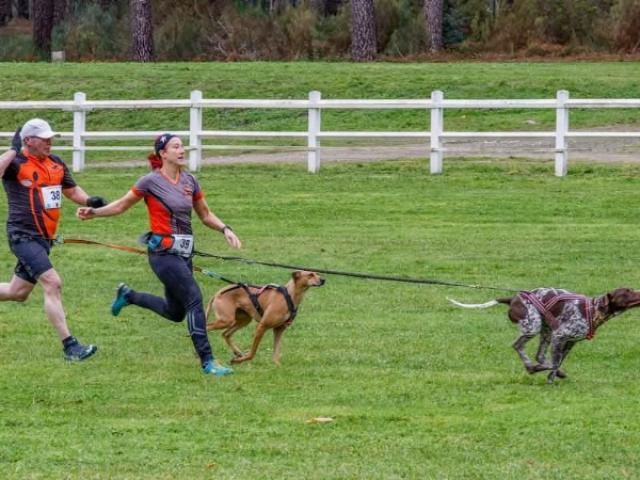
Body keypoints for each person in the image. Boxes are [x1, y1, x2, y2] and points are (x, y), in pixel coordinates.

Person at [76, 133, 241, 377]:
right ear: (163, 153)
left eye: (182, 146)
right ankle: (208, 362)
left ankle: (129, 296)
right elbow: (122, 205)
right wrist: (95, 212)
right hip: (162, 255)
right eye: (176, 147)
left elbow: (205, 214)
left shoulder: (190, 181)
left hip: (184, 254)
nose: (182, 150)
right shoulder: (149, 182)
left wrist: (225, 229)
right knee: (194, 297)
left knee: (175, 313)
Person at [0, 118, 107, 361]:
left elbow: (71, 190)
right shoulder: (15, 163)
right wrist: (12, 150)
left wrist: (90, 202)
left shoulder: (56, 163)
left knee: (17, 292)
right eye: (44, 138)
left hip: (43, 239)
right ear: (28, 141)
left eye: (51, 138)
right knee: (52, 282)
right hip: (22, 236)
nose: (50, 142)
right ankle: (70, 347)